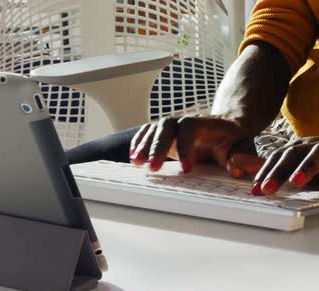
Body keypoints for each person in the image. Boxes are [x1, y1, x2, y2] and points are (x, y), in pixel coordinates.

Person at [67, 0, 319, 197]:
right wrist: (231, 120)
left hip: (304, 160)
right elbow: (276, 35)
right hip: (285, 143)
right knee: (56, 178)